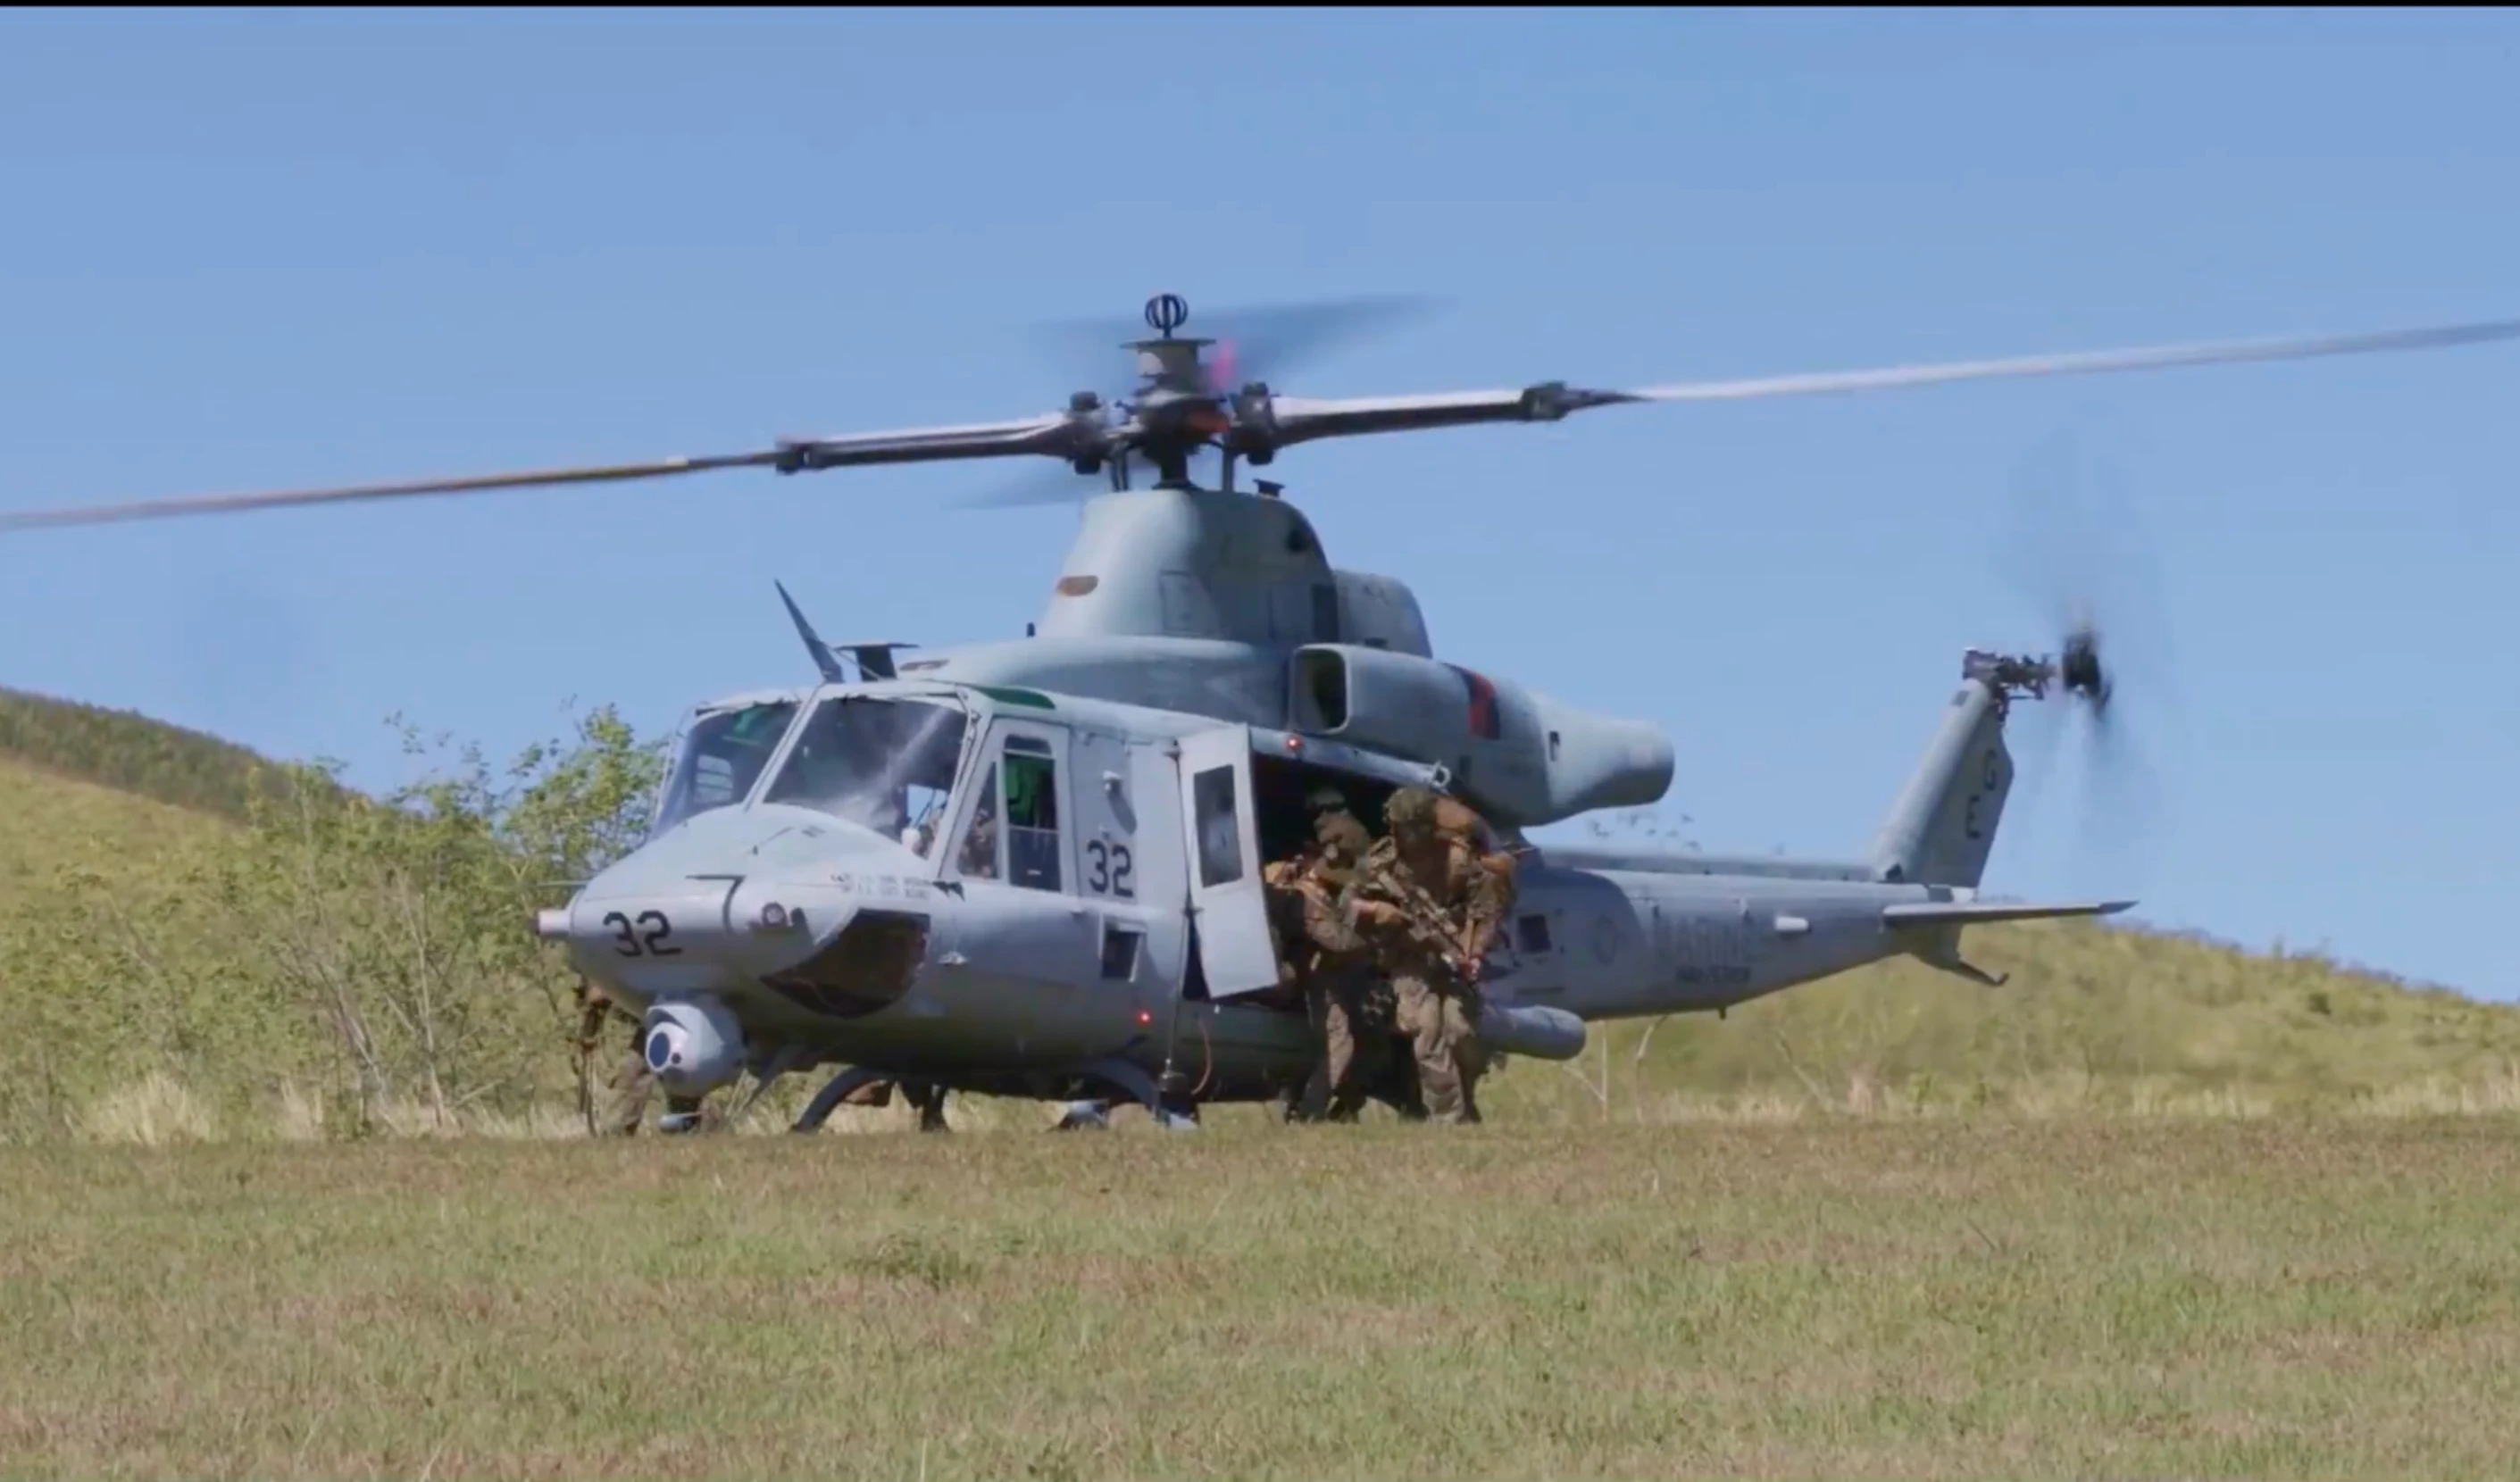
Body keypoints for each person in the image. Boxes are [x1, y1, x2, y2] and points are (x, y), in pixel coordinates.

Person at [1357, 787, 1511, 1125]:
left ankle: (1465, 1103)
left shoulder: (1457, 860)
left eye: (1419, 827)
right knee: (1426, 1029)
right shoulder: (1379, 863)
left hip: (1453, 960)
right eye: (1405, 827)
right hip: (1407, 961)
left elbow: (1485, 909)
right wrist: (1377, 909)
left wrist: (1475, 953)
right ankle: (1448, 1117)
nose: (1412, 836)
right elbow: (1343, 903)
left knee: (1459, 1030)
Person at [1282, 787, 1389, 1122]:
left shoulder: (1328, 891)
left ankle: (1344, 1109)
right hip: (1323, 979)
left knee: (1365, 1043)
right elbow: (1335, 941)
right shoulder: (1306, 896)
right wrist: (1375, 940)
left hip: (1344, 976)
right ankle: (1309, 1114)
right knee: (1338, 1045)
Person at [572, 977, 709, 1136]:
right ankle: (616, 1138)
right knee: (633, 1077)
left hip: (684, 1009)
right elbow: (594, 994)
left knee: (686, 1076)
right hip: (643, 1015)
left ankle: (694, 1130)